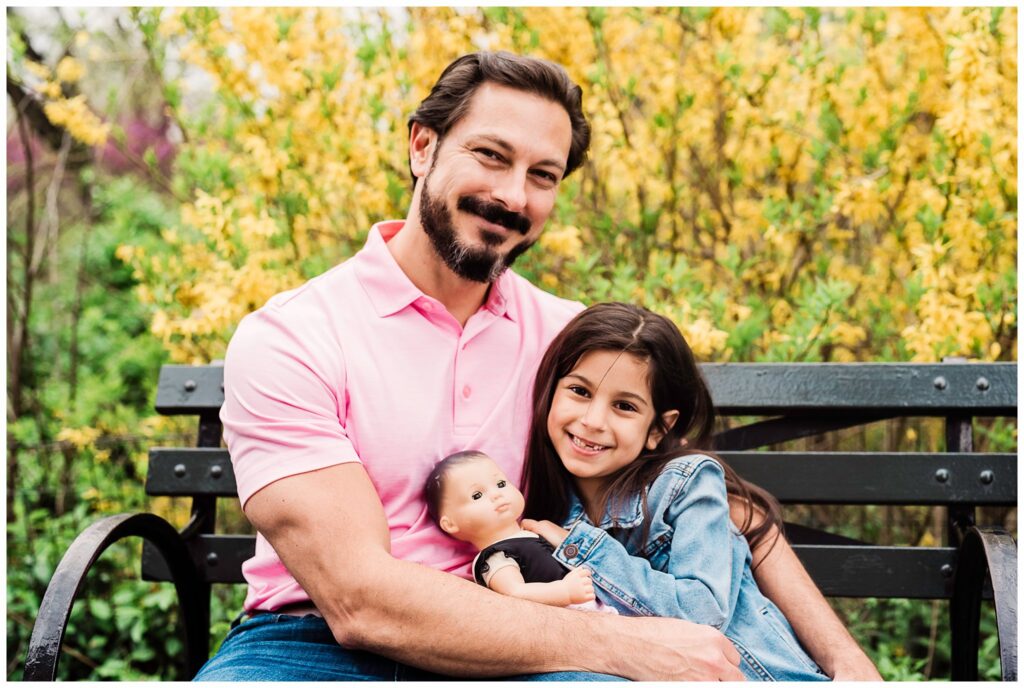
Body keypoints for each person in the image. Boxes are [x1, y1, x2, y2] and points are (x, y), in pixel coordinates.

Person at [196, 50, 882, 680]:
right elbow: (360, 601)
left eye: (543, 176)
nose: (514, 197)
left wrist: (850, 665)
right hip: (311, 644)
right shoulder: (293, 337)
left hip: (532, 640)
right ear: (421, 146)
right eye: (491, 156)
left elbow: (714, 506)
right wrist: (629, 647)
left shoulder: (569, 344)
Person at [519, 302, 849, 680]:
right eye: (579, 391)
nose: (593, 421)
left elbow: (702, 611)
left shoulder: (686, 485)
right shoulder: (553, 518)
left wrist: (585, 551)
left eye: (624, 406)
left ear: (658, 429)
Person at [426, 450, 603, 610]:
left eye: (501, 483)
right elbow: (514, 592)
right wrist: (564, 591)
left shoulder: (535, 533)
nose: (496, 494)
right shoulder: (496, 556)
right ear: (450, 524)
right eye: (477, 495)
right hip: (568, 617)